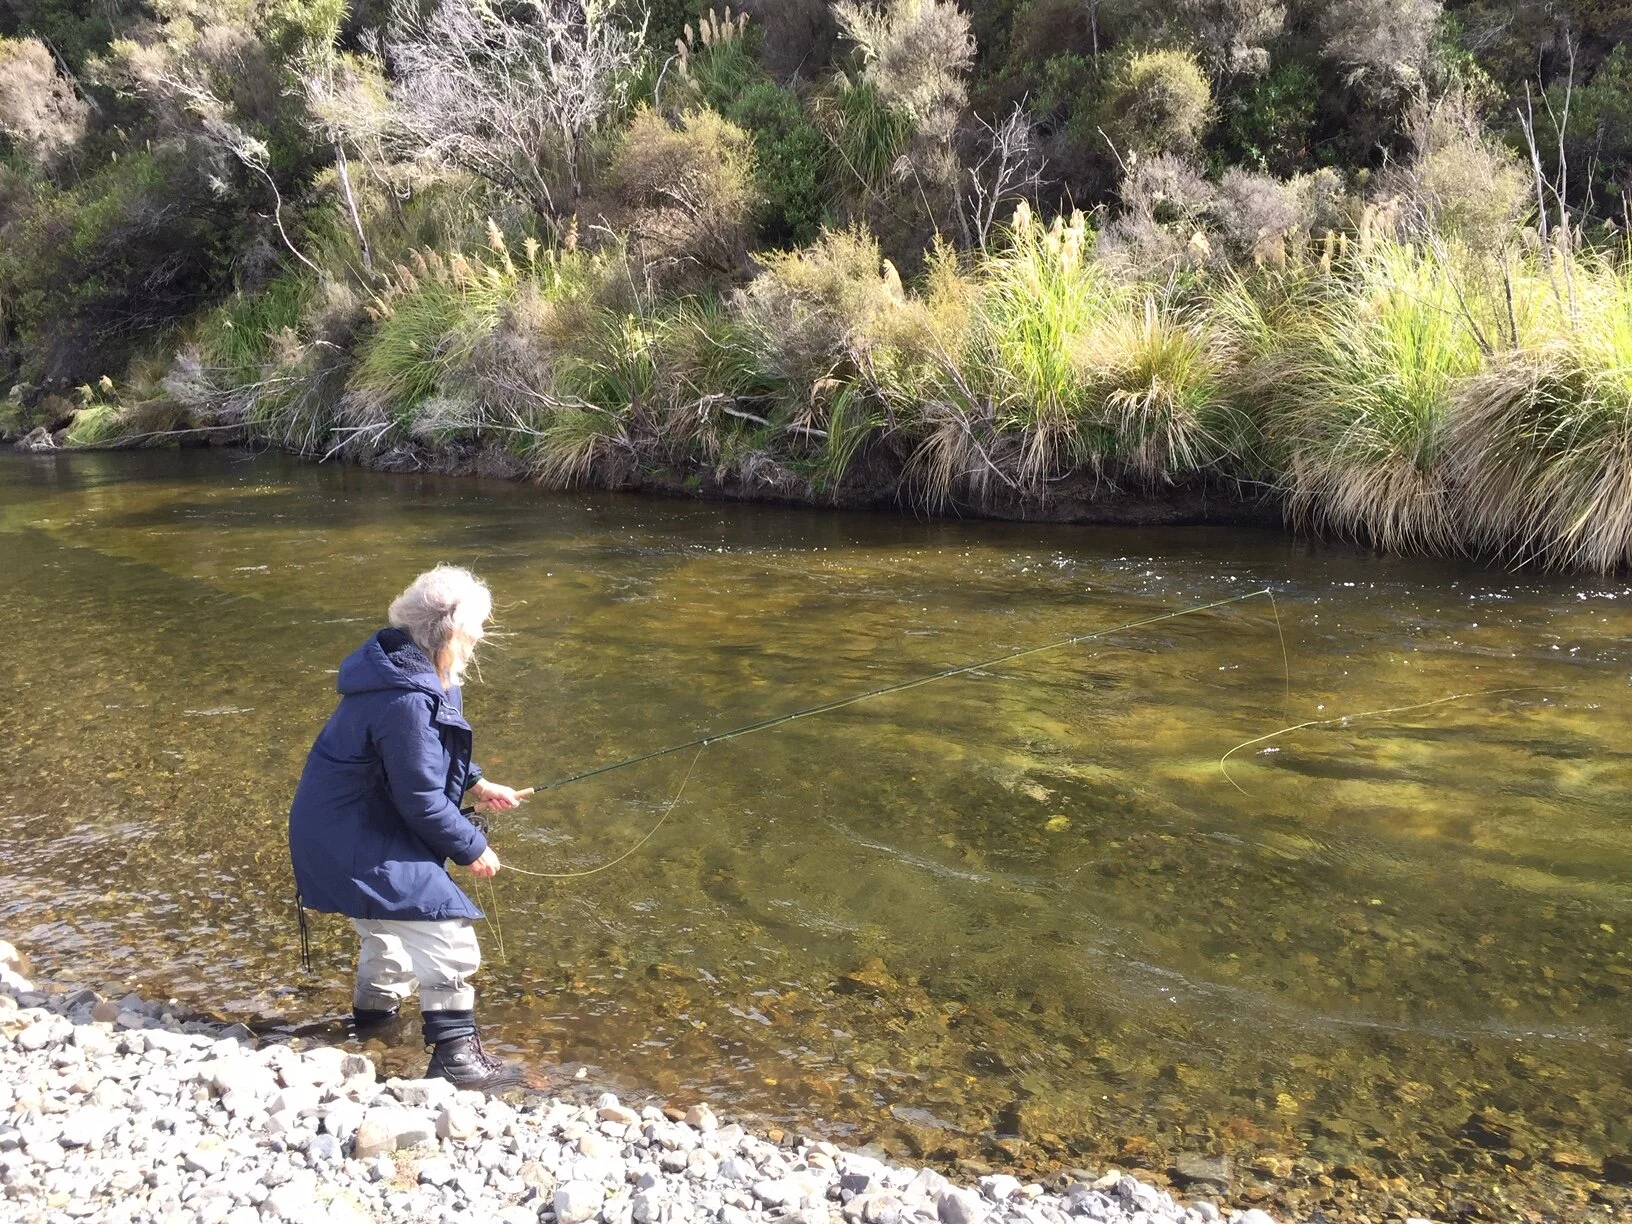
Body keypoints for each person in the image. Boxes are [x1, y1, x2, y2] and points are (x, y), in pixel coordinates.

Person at [288, 565, 526, 1090]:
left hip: (342, 828)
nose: (482, 636)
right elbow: (419, 797)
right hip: (350, 837)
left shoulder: (415, 673)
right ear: (450, 631)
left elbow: (423, 755)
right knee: (446, 931)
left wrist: (478, 785)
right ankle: (456, 1058)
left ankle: (372, 1030)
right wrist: (472, 847)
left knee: (389, 935)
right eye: (477, 627)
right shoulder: (408, 697)